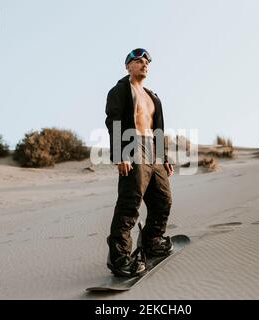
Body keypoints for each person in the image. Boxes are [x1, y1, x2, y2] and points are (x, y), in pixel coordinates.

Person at [104, 48, 174, 277]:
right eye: (139, 61)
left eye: (147, 62)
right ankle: (120, 258)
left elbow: (159, 129)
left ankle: (153, 240)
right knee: (129, 204)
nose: (144, 64)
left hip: (153, 151)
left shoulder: (153, 97)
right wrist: (119, 154)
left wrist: (164, 158)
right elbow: (112, 120)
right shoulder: (120, 90)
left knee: (163, 200)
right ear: (128, 66)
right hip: (132, 146)